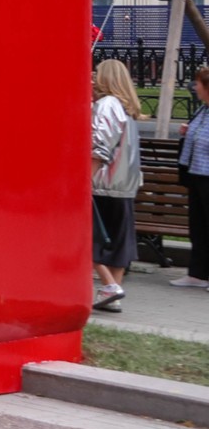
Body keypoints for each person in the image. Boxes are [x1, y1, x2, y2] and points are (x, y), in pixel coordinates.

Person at [91, 59, 144, 313]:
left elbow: (100, 145)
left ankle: (110, 285)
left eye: (96, 74)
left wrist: (86, 178)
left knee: (90, 237)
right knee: (119, 240)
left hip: (103, 182)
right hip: (125, 184)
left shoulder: (107, 105)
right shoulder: (127, 108)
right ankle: (113, 291)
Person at [174, 66, 209, 290]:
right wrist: (188, 133)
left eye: (198, 84)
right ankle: (197, 273)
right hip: (197, 174)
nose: (194, 87)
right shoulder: (202, 110)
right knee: (198, 225)